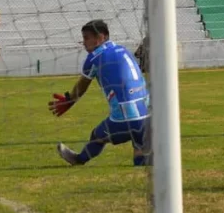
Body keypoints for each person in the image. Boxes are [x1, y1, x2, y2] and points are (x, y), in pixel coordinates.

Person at [49, 20, 151, 166]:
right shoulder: (123, 49)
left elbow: (81, 87)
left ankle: (79, 159)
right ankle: (143, 164)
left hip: (125, 117)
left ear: (100, 37)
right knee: (139, 145)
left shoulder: (94, 58)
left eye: (86, 38)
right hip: (148, 113)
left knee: (97, 136)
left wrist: (69, 100)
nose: (83, 43)